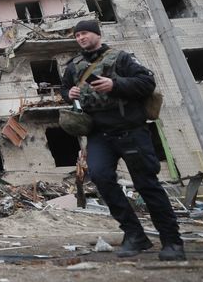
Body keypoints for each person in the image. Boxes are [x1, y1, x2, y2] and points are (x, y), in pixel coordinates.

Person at [60, 19, 185, 261]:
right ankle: (134, 234)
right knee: (101, 178)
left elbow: (147, 83)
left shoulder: (122, 58)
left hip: (130, 130)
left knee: (146, 184)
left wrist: (115, 85)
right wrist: (69, 94)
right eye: (77, 36)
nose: (81, 38)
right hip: (98, 133)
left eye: (84, 33)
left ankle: (172, 241)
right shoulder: (74, 65)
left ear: (97, 34)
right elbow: (65, 89)